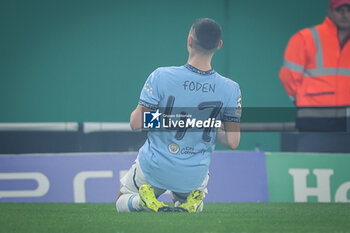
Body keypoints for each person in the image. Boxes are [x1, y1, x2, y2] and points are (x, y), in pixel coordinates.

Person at [116, 18, 241, 213]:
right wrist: (204, 123)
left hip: (155, 166)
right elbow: (233, 141)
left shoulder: (161, 76)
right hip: (194, 174)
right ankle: (192, 201)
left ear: (189, 40)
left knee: (122, 199)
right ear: (219, 45)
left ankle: (142, 201)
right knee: (194, 206)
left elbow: (136, 122)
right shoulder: (231, 89)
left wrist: (169, 119)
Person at [279, 0, 350, 131]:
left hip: (347, 123)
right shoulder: (305, 38)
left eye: (349, 10)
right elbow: (288, 77)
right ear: (330, 10)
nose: (345, 14)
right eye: (340, 10)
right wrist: (304, 102)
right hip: (313, 120)